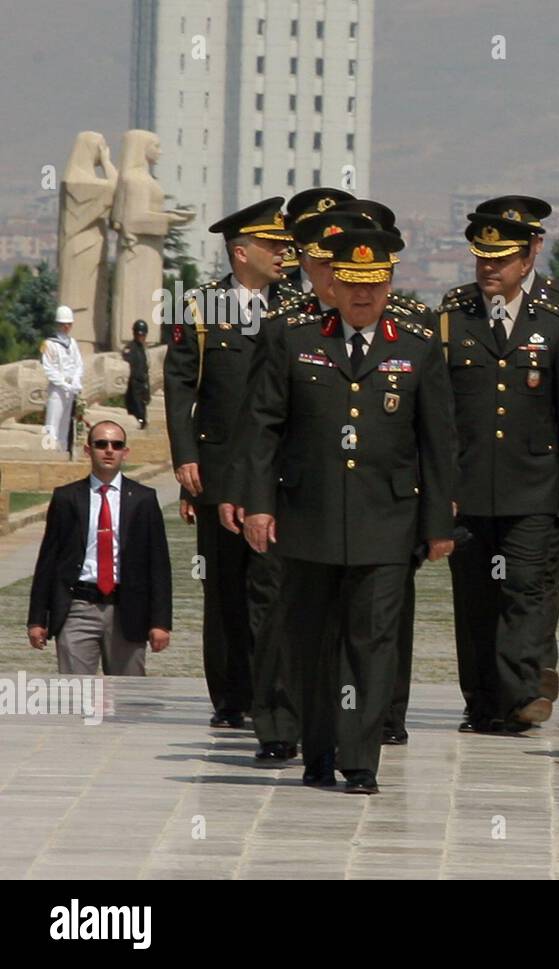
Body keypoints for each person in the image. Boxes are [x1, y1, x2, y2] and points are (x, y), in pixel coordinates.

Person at [241, 228, 457, 794]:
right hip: (308, 519)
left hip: (386, 523)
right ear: (332, 282)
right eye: (353, 283)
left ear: (389, 283)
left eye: (376, 283)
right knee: (311, 641)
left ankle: (360, 758)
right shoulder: (290, 337)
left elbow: (437, 441)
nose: (364, 295)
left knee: (372, 640)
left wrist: (438, 524)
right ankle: (317, 751)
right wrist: (259, 506)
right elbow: (263, 429)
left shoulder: (417, 344)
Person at [440, 210, 559, 734]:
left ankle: (522, 691)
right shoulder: (454, 312)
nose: (488, 268)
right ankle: (481, 700)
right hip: (467, 485)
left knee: (526, 588)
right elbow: (441, 410)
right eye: (482, 257)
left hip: (535, 482)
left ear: (529, 256)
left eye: (501, 258)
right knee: (475, 596)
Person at [164, 197, 297, 730]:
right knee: (224, 588)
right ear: (241, 253)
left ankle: (272, 693)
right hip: (217, 469)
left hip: (275, 473)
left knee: (272, 584)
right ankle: (230, 697)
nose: (283, 254)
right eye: (273, 246)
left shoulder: (296, 306)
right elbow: (178, 384)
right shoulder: (198, 306)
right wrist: (185, 457)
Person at [27, 420, 171, 675]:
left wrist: (160, 622)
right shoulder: (67, 497)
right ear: (88, 450)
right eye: (101, 444)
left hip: (127, 609)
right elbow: (48, 560)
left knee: (128, 700)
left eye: (116, 445)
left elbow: (158, 564)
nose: (109, 450)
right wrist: (37, 618)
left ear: (125, 452)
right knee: (76, 695)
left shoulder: (143, 499)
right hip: (78, 606)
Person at [42, 305, 84, 453]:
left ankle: (62, 452)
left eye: (68, 324)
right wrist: (63, 383)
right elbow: (48, 368)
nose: (66, 326)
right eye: (63, 323)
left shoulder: (72, 343)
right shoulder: (49, 344)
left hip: (70, 388)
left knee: (65, 424)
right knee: (52, 422)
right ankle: (48, 452)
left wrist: (76, 381)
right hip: (57, 389)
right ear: (57, 324)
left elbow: (78, 364)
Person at [122, 319, 151, 429]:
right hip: (132, 385)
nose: (141, 337)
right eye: (139, 334)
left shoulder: (142, 349)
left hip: (141, 385)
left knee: (142, 412)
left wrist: (146, 388)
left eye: (143, 335)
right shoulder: (130, 348)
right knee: (136, 413)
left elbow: (145, 369)